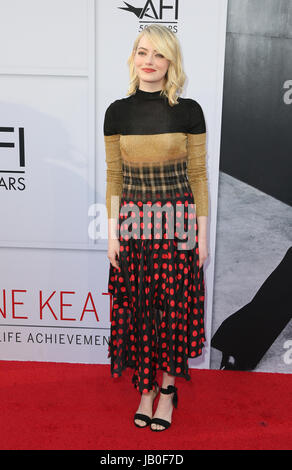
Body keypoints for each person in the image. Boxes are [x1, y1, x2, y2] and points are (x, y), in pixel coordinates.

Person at [103, 25, 209, 432]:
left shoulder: (188, 110)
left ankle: (166, 390)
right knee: (141, 310)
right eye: (141, 52)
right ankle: (144, 388)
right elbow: (115, 176)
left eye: (158, 54)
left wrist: (201, 236)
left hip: (179, 223)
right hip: (133, 225)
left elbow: (198, 176)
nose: (149, 61)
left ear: (170, 62)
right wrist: (112, 234)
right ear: (133, 57)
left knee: (172, 310)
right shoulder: (117, 112)